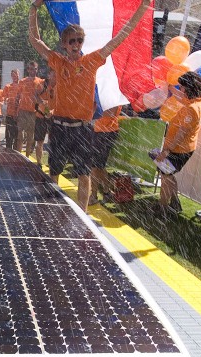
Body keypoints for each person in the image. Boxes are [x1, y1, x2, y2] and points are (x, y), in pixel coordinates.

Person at [29, 0, 151, 211]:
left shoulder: (92, 60)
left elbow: (121, 36)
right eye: (71, 41)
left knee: (84, 174)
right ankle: (52, 210)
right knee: (54, 172)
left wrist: (144, 6)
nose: (76, 44)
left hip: (83, 130)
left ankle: (83, 215)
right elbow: (35, 40)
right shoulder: (58, 61)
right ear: (64, 44)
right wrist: (33, 9)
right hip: (59, 126)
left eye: (79, 40)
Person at [154, 72, 201, 216]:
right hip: (180, 148)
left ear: (188, 88)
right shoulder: (195, 100)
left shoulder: (192, 108)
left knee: (165, 177)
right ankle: (175, 203)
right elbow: (180, 97)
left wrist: (166, 151)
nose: (180, 89)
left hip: (179, 149)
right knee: (169, 175)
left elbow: (181, 134)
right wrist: (169, 86)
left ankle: (162, 207)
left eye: (181, 87)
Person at [89, 105, 122, 205]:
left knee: (95, 166)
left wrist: (93, 110)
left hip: (107, 132)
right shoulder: (103, 93)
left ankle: (94, 195)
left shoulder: (113, 95)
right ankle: (107, 191)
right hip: (98, 131)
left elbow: (110, 113)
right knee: (99, 166)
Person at [16, 61, 43, 156]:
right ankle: (19, 156)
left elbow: (43, 96)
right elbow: (17, 97)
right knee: (20, 135)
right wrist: (16, 111)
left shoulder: (40, 81)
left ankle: (27, 157)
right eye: (31, 69)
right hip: (22, 111)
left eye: (35, 69)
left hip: (33, 112)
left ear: (37, 69)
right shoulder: (22, 81)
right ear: (28, 70)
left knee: (30, 137)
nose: (33, 71)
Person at [33, 69, 56, 164]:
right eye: (53, 74)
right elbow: (35, 95)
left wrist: (51, 111)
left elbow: (60, 103)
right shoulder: (42, 84)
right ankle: (39, 163)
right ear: (49, 74)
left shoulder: (60, 86)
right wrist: (41, 102)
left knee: (54, 142)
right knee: (40, 141)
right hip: (41, 116)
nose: (55, 76)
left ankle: (52, 163)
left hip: (53, 116)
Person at [2, 69, 21, 151]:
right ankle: (8, 153)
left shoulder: (22, 85)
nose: (14, 76)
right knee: (9, 136)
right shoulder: (8, 87)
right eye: (13, 75)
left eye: (16, 74)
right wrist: (5, 100)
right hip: (10, 114)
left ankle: (16, 153)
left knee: (17, 136)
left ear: (18, 74)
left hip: (19, 115)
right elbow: (2, 97)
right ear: (11, 76)